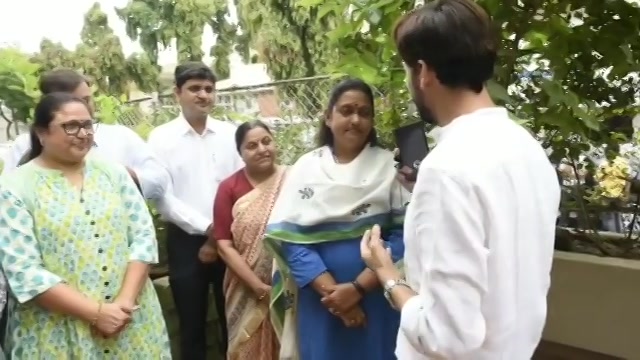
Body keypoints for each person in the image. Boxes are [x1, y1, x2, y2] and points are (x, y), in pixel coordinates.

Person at [359, 1, 561, 359]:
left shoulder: (447, 171)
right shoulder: (526, 148)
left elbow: (447, 336)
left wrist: (389, 276)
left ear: (423, 71)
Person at [0, 92, 171, 359]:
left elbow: (142, 237)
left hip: (131, 323)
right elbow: (24, 271)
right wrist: (96, 314)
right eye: (71, 126)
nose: (83, 133)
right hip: (57, 332)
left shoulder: (113, 173)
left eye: (88, 125)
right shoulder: (13, 188)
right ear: (41, 133)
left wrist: (123, 306)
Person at [264, 78, 408, 360]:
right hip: (321, 303)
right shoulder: (306, 168)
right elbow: (290, 241)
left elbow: (404, 236)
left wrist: (357, 289)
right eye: (346, 110)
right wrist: (338, 298)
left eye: (364, 112)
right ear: (328, 118)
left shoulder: (390, 166)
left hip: (378, 298)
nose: (355, 119)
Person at [148, 62, 243, 360]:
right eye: (194, 89)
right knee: (191, 324)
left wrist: (218, 236)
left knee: (235, 320)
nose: (203, 95)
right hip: (186, 242)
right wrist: (207, 229)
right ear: (177, 93)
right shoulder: (160, 139)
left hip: (231, 238)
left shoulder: (231, 134)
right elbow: (162, 196)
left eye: (208, 89)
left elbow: (242, 185)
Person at [1, 68, 169, 200]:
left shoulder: (121, 137)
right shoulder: (24, 146)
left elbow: (159, 181)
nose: (84, 108)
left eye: (87, 99)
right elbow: (10, 196)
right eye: (75, 102)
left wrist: (123, 176)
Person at [203, 120, 283, 359]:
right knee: (245, 346)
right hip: (245, 287)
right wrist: (257, 286)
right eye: (252, 146)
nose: (262, 149)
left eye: (266, 141)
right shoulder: (229, 188)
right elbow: (224, 244)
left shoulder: (291, 179)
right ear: (241, 153)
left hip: (287, 284)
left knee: (288, 344)